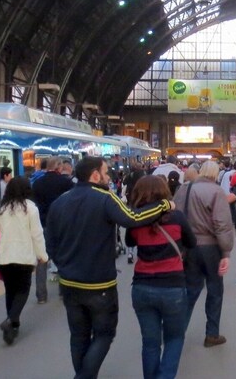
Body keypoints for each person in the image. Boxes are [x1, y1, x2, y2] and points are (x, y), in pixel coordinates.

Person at [47, 157, 173, 379]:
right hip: (99, 283)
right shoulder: (105, 198)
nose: (109, 176)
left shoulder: (60, 202)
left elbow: (50, 242)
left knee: (78, 335)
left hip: (69, 283)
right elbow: (132, 218)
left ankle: (85, 374)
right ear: (95, 175)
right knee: (105, 333)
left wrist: (64, 264)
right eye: (106, 172)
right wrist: (164, 205)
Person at [125, 175, 197, 379]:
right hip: (172, 287)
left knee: (150, 342)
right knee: (174, 338)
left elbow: (130, 243)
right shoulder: (177, 217)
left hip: (141, 287)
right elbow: (191, 242)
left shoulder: (136, 220)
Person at [173, 160, 234, 347]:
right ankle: (212, 334)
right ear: (215, 174)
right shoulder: (216, 192)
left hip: (188, 246)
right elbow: (222, 225)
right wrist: (226, 252)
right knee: (215, 291)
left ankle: (176, 333)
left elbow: (175, 215)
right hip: (211, 248)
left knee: (190, 290)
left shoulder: (184, 189)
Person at [0, 176, 48, 345]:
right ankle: (11, 320)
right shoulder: (31, 208)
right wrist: (42, 255)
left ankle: (13, 326)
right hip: (23, 256)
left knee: (10, 290)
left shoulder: (0, 208)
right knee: (23, 290)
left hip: (4, 256)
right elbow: (37, 234)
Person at [31, 156, 74, 303]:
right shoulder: (66, 183)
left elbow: (34, 205)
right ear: (58, 167)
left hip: (42, 224)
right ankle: (64, 289)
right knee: (63, 256)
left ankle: (41, 295)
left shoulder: (37, 184)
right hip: (62, 225)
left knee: (42, 259)